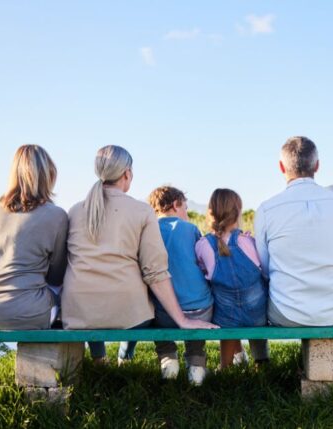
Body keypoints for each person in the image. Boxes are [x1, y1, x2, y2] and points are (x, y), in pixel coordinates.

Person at [61, 145, 217, 370]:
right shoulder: (141, 211)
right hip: (128, 317)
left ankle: (99, 361)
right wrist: (183, 320)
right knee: (150, 305)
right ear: (127, 174)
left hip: (77, 314)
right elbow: (155, 272)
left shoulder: (75, 211)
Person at [0, 145, 68, 330]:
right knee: (64, 290)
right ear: (48, 175)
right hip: (26, 313)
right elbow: (57, 275)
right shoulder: (56, 215)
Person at [254, 136, 333, 327]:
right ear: (317, 165)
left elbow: (265, 270)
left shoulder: (267, 209)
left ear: (281, 167)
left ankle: (260, 357)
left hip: (287, 312)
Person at [147, 186, 214, 385]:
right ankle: (196, 365)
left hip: (165, 314)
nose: (186, 212)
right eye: (184, 207)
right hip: (200, 310)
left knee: (154, 314)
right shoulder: (191, 229)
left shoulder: (149, 231)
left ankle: (168, 358)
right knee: (196, 322)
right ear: (176, 205)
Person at [196, 189, 269, 368]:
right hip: (257, 316)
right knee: (256, 304)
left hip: (225, 317)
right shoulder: (249, 242)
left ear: (210, 213)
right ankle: (261, 360)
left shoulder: (203, 245)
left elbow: (203, 273)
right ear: (237, 213)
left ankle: (226, 365)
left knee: (228, 315)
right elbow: (264, 272)